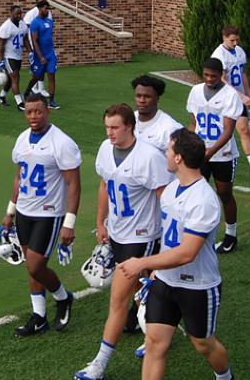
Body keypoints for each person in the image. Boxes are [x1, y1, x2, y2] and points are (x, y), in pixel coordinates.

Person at [119, 128, 234, 380]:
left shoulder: (203, 199)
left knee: (202, 343)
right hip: (166, 282)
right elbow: (169, 243)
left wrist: (143, 263)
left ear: (179, 157)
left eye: (168, 150)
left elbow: (187, 253)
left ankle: (225, 376)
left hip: (198, 286)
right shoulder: (171, 190)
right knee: (154, 343)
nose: (166, 155)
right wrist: (157, 272)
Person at [75, 104, 171, 380]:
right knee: (145, 289)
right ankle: (157, 330)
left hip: (141, 237)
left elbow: (165, 200)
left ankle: (100, 364)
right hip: (117, 233)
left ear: (130, 126)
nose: (110, 133)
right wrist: (100, 221)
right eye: (107, 127)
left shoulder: (149, 157)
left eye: (115, 127)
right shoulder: (106, 149)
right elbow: (105, 184)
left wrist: (166, 244)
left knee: (118, 300)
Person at [0, 93, 81, 337]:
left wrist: (69, 223)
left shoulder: (62, 143)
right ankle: (39, 317)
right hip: (24, 210)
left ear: (48, 111)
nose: (33, 116)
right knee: (31, 268)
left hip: (49, 213)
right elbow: (19, 177)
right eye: (29, 112)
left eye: (38, 111)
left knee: (36, 266)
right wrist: (10, 211)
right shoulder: (22, 139)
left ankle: (63, 297)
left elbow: (74, 184)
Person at [185, 58, 244, 254]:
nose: (210, 79)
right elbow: (193, 124)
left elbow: (228, 130)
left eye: (214, 76)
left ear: (221, 75)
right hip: (201, 152)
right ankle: (194, 235)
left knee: (224, 193)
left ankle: (231, 234)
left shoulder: (230, 95)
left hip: (223, 154)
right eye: (206, 75)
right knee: (195, 193)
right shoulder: (195, 91)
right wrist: (189, 144)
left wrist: (211, 151)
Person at [212, 25, 250, 180]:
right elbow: (222, 80)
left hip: (238, 98)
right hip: (225, 99)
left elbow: (242, 74)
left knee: (244, 130)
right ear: (223, 37)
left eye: (237, 39)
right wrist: (240, 96)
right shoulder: (219, 55)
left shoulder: (239, 51)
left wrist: (248, 94)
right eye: (232, 40)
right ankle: (212, 159)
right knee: (226, 132)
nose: (235, 43)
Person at [132, 74, 185, 154]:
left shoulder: (171, 128)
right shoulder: (128, 119)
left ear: (157, 99)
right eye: (138, 96)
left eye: (147, 97)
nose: (141, 100)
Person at [26, 0, 61, 109]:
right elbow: (34, 40)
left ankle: (51, 101)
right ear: (40, 9)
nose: (48, 11)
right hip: (40, 55)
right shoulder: (35, 23)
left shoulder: (49, 22)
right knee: (36, 76)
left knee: (51, 75)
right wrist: (40, 56)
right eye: (46, 9)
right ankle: (27, 92)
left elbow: (49, 38)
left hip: (50, 54)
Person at [0, 4, 29, 110]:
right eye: (17, 14)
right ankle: (20, 103)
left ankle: (1, 97)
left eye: (20, 13)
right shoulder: (6, 26)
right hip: (8, 56)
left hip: (18, 55)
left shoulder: (22, 24)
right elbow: (1, 45)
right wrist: (1, 61)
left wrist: (31, 52)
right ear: (11, 13)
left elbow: (25, 40)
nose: (19, 16)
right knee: (15, 77)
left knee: (11, 80)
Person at [23, 0, 50, 95]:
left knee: (43, 67)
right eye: (43, 0)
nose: (46, 2)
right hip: (34, 45)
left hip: (45, 45)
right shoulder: (31, 13)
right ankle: (34, 88)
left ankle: (41, 88)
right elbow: (26, 30)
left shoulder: (48, 12)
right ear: (37, 0)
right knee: (36, 67)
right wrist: (29, 48)